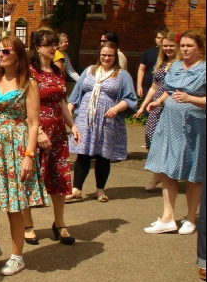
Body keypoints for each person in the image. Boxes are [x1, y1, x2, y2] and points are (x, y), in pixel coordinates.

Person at [0, 37, 48, 276]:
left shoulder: (29, 83)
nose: (1, 54)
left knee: (14, 205)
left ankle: (17, 256)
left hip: (16, 145)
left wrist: (29, 155)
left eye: (6, 50)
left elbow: (33, 123)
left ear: (18, 54)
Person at [22, 30, 81, 246]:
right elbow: (24, 105)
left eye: (55, 44)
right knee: (31, 177)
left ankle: (60, 223)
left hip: (57, 132)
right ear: (37, 47)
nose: (53, 48)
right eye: (48, 44)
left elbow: (62, 101)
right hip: (35, 131)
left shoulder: (58, 70)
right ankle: (27, 225)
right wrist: (37, 133)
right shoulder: (29, 72)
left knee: (59, 177)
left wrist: (72, 124)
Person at [143, 30, 205, 235]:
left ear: (200, 48)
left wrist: (191, 99)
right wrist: (158, 101)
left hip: (195, 128)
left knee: (193, 173)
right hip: (170, 125)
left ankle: (190, 218)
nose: (185, 49)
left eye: (190, 46)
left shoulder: (204, 69)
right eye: (184, 46)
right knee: (167, 169)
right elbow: (169, 90)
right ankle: (168, 218)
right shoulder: (176, 66)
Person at [67, 41, 137, 202]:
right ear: (99, 55)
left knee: (103, 155)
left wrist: (117, 108)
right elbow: (77, 92)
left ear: (115, 57)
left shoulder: (122, 75)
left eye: (110, 56)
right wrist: (69, 111)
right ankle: (76, 189)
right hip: (86, 118)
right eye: (104, 55)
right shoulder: (89, 70)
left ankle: (100, 190)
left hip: (107, 120)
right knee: (83, 153)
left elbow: (130, 98)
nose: (106, 58)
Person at [135, 32, 178, 190]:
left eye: (171, 45)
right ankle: (159, 172)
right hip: (156, 105)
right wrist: (143, 105)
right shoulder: (161, 63)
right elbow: (154, 87)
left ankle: (160, 175)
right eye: (165, 45)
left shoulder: (180, 64)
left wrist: (160, 101)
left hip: (171, 104)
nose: (167, 48)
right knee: (150, 136)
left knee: (167, 141)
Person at [137, 26, 169, 97]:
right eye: (158, 38)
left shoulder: (168, 52)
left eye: (162, 38)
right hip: (148, 86)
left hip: (163, 87)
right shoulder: (148, 52)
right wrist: (139, 86)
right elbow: (141, 69)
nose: (160, 40)